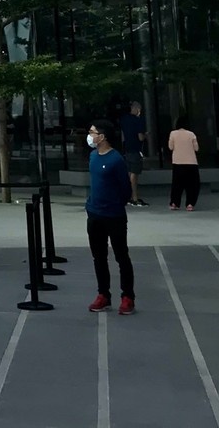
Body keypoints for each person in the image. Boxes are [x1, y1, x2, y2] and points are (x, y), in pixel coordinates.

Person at [85, 119, 135, 316]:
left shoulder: (116, 160)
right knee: (99, 257)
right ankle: (103, 294)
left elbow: (125, 189)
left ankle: (128, 296)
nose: (90, 135)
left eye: (93, 132)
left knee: (121, 256)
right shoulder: (92, 156)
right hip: (95, 213)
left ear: (102, 136)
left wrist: (115, 204)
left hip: (113, 215)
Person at [118, 101, 148, 207]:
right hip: (135, 149)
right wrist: (146, 136)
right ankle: (134, 197)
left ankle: (129, 196)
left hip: (127, 148)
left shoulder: (124, 119)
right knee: (134, 173)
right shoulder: (138, 120)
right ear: (137, 109)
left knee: (129, 172)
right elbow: (140, 137)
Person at [168, 117, 200, 210]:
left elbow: (170, 147)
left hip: (177, 162)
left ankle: (174, 203)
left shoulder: (173, 133)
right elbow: (196, 148)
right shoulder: (191, 134)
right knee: (192, 185)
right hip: (191, 163)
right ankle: (190, 204)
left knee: (177, 184)